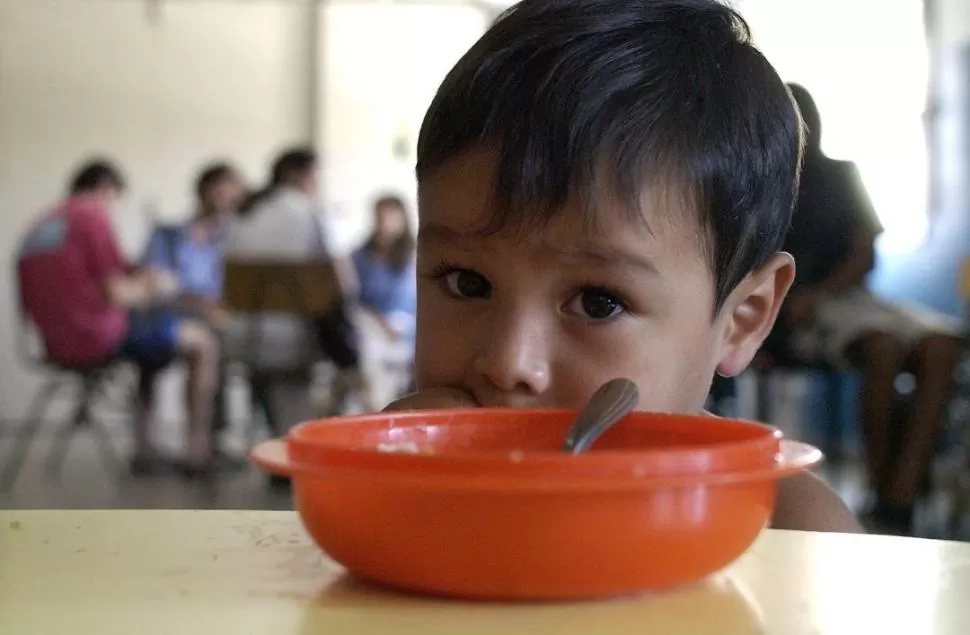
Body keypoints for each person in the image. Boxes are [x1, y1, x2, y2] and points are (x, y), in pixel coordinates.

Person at [382, 0, 860, 533]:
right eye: (467, 283)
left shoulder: (786, 530)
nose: (508, 363)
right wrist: (382, 504)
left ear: (742, 318)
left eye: (597, 301)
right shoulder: (393, 490)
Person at [781, 84, 965, 534]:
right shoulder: (764, 180)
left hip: (846, 298)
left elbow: (865, 254)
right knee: (883, 348)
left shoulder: (843, 174)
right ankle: (890, 496)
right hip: (800, 306)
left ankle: (898, 493)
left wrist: (824, 292)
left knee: (943, 344)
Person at [17, 160, 220, 475]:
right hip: (95, 335)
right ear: (106, 188)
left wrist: (136, 276)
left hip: (52, 341)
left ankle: (145, 447)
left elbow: (88, 279)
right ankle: (197, 451)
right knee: (202, 342)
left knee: (150, 347)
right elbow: (117, 295)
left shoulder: (43, 223)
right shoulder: (91, 217)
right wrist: (157, 285)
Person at [226, 147, 371, 420]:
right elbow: (342, 283)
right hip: (292, 343)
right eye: (315, 177)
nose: (318, 185)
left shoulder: (244, 214)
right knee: (353, 331)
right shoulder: (310, 212)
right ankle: (350, 403)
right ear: (296, 176)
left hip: (243, 339)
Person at [352, 195, 417, 407]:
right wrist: (381, 321)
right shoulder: (360, 256)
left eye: (391, 216)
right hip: (371, 324)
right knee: (369, 348)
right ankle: (376, 407)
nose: (384, 222)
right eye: (380, 216)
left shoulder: (416, 254)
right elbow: (356, 298)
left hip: (408, 325)